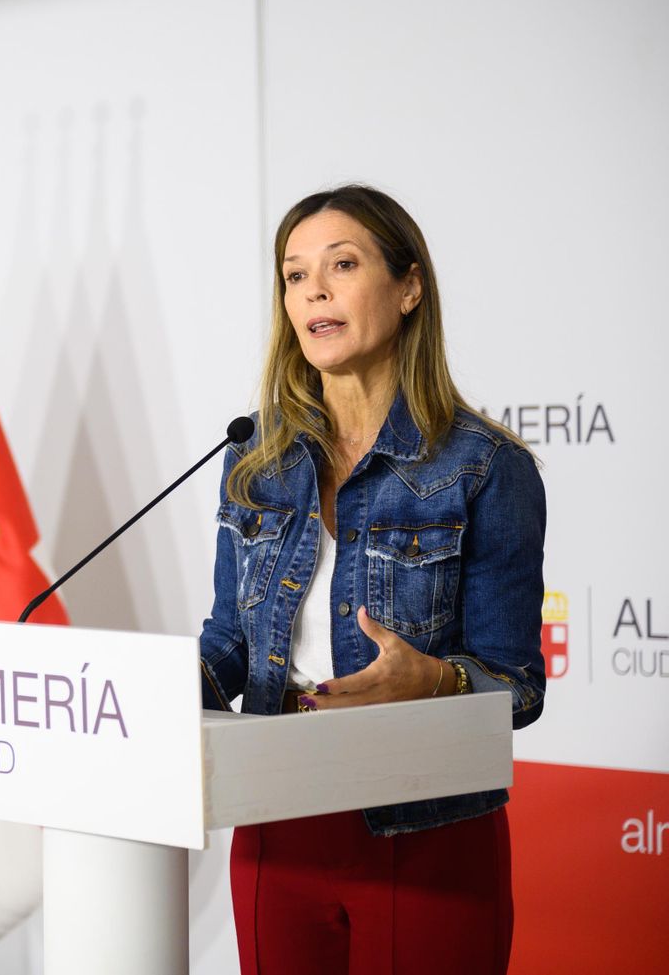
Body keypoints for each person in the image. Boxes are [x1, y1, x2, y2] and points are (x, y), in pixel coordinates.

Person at [198, 185, 546, 975]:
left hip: (426, 830)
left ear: (409, 286)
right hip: (276, 818)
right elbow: (228, 640)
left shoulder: (486, 468)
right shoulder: (256, 461)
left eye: (342, 264)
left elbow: (518, 686)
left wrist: (435, 679)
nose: (313, 290)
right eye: (294, 275)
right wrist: (159, 691)